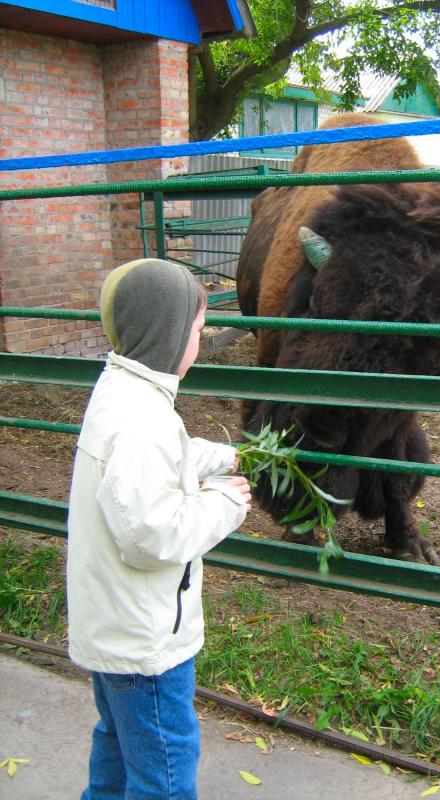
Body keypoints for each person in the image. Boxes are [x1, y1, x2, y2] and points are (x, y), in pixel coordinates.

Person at [66, 257, 252, 800]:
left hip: (112, 624)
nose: (202, 340)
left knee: (119, 747)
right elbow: (152, 534)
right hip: (145, 640)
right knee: (164, 775)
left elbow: (151, 469)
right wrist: (225, 503)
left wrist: (221, 457)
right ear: (171, 333)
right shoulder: (144, 420)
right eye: (198, 329)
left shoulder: (122, 392)